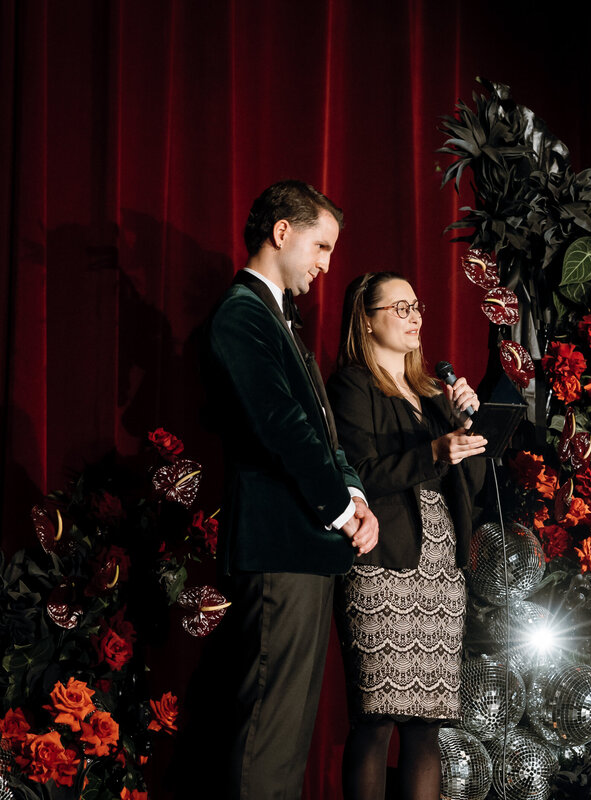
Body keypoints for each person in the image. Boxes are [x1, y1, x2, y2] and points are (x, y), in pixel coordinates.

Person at [184, 180, 380, 800]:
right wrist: (343, 509)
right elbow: (282, 427)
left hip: (299, 546)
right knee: (270, 736)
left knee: (286, 735)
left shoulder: (277, 315)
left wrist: (356, 494)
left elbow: (320, 427)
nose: (326, 264)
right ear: (282, 233)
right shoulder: (243, 314)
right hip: (278, 547)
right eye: (321, 246)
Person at [325, 272, 488, 800]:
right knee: (374, 721)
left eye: (416, 305)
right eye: (399, 308)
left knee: (426, 729)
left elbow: (473, 485)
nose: (414, 315)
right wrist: (433, 453)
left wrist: (463, 427)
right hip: (381, 566)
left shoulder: (432, 394)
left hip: (441, 570)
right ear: (366, 321)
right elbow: (357, 474)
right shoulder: (353, 385)